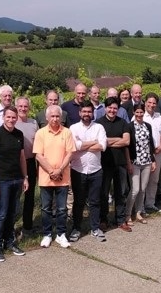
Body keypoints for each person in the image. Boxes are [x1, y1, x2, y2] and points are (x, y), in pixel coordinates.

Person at [0, 106, 29, 262]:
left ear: (17, 118)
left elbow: (22, 158)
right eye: (8, 117)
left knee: (13, 213)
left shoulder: (19, 134)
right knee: (1, 214)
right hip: (2, 181)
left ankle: (9, 242)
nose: (11, 120)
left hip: (16, 179)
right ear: (3, 117)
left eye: (13, 117)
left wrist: (25, 177)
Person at [33, 105, 75, 248]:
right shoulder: (40, 133)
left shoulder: (67, 133)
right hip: (46, 178)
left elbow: (70, 153)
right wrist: (52, 171)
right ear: (47, 118)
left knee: (62, 208)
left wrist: (60, 170)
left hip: (63, 177)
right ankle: (47, 234)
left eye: (57, 116)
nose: (55, 119)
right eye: (52, 116)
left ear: (61, 117)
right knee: (46, 208)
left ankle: (61, 234)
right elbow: (38, 155)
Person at [68, 101, 107, 242]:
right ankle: (76, 228)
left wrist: (82, 145)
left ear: (93, 113)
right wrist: (93, 142)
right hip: (78, 170)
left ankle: (95, 228)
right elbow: (74, 146)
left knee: (95, 201)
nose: (86, 114)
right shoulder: (73, 128)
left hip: (96, 170)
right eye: (84, 112)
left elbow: (102, 146)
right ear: (80, 113)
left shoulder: (99, 127)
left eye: (89, 112)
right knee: (78, 202)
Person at [96, 97, 132, 232]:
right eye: (110, 108)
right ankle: (103, 220)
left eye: (115, 108)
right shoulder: (98, 124)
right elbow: (98, 141)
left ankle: (120, 220)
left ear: (118, 109)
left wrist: (107, 141)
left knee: (121, 192)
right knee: (104, 193)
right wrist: (118, 140)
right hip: (104, 164)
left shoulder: (123, 123)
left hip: (120, 163)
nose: (112, 110)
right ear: (105, 108)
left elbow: (126, 142)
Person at [126, 104, 156, 225]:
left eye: (141, 112)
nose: (139, 115)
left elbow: (150, 144)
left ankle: (138, 212)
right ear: (133, 112)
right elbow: (127, 146)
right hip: (135, 162)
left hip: (147, 161)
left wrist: (153, 160)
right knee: (135, 190)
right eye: (137, 112)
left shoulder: (147, 126)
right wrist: (129, 162)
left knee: (143, 189)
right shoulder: (129, 126)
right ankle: (127, 214)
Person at [14, 97, 38, 236]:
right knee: (15, 197)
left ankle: (27, 227)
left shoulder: (34, 123)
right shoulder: (11, 122)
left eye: (25, 106)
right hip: (15, 164)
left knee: (29, 197)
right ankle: (11, 228)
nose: (23, 109)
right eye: (20, 106)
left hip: (30, 163)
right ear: (16, 106)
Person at [142, 93, 161, 214]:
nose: (151, 105)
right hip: (144, 155)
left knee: (154, 179)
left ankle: (150, 204)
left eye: (154, 103)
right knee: (143, 181)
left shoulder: (159, 117)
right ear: (145, 102)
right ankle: (140, 206)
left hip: (157, 152)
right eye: (149, 102)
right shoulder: (140, 116)